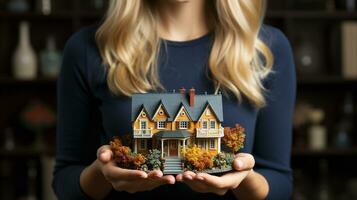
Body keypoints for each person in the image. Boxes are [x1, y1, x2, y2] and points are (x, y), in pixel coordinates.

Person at [52, 0, 296, 199]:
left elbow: (279, 182)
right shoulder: (87, 48)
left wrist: (244, 179)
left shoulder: (267, 49)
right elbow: (65, 181)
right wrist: (102, 173)